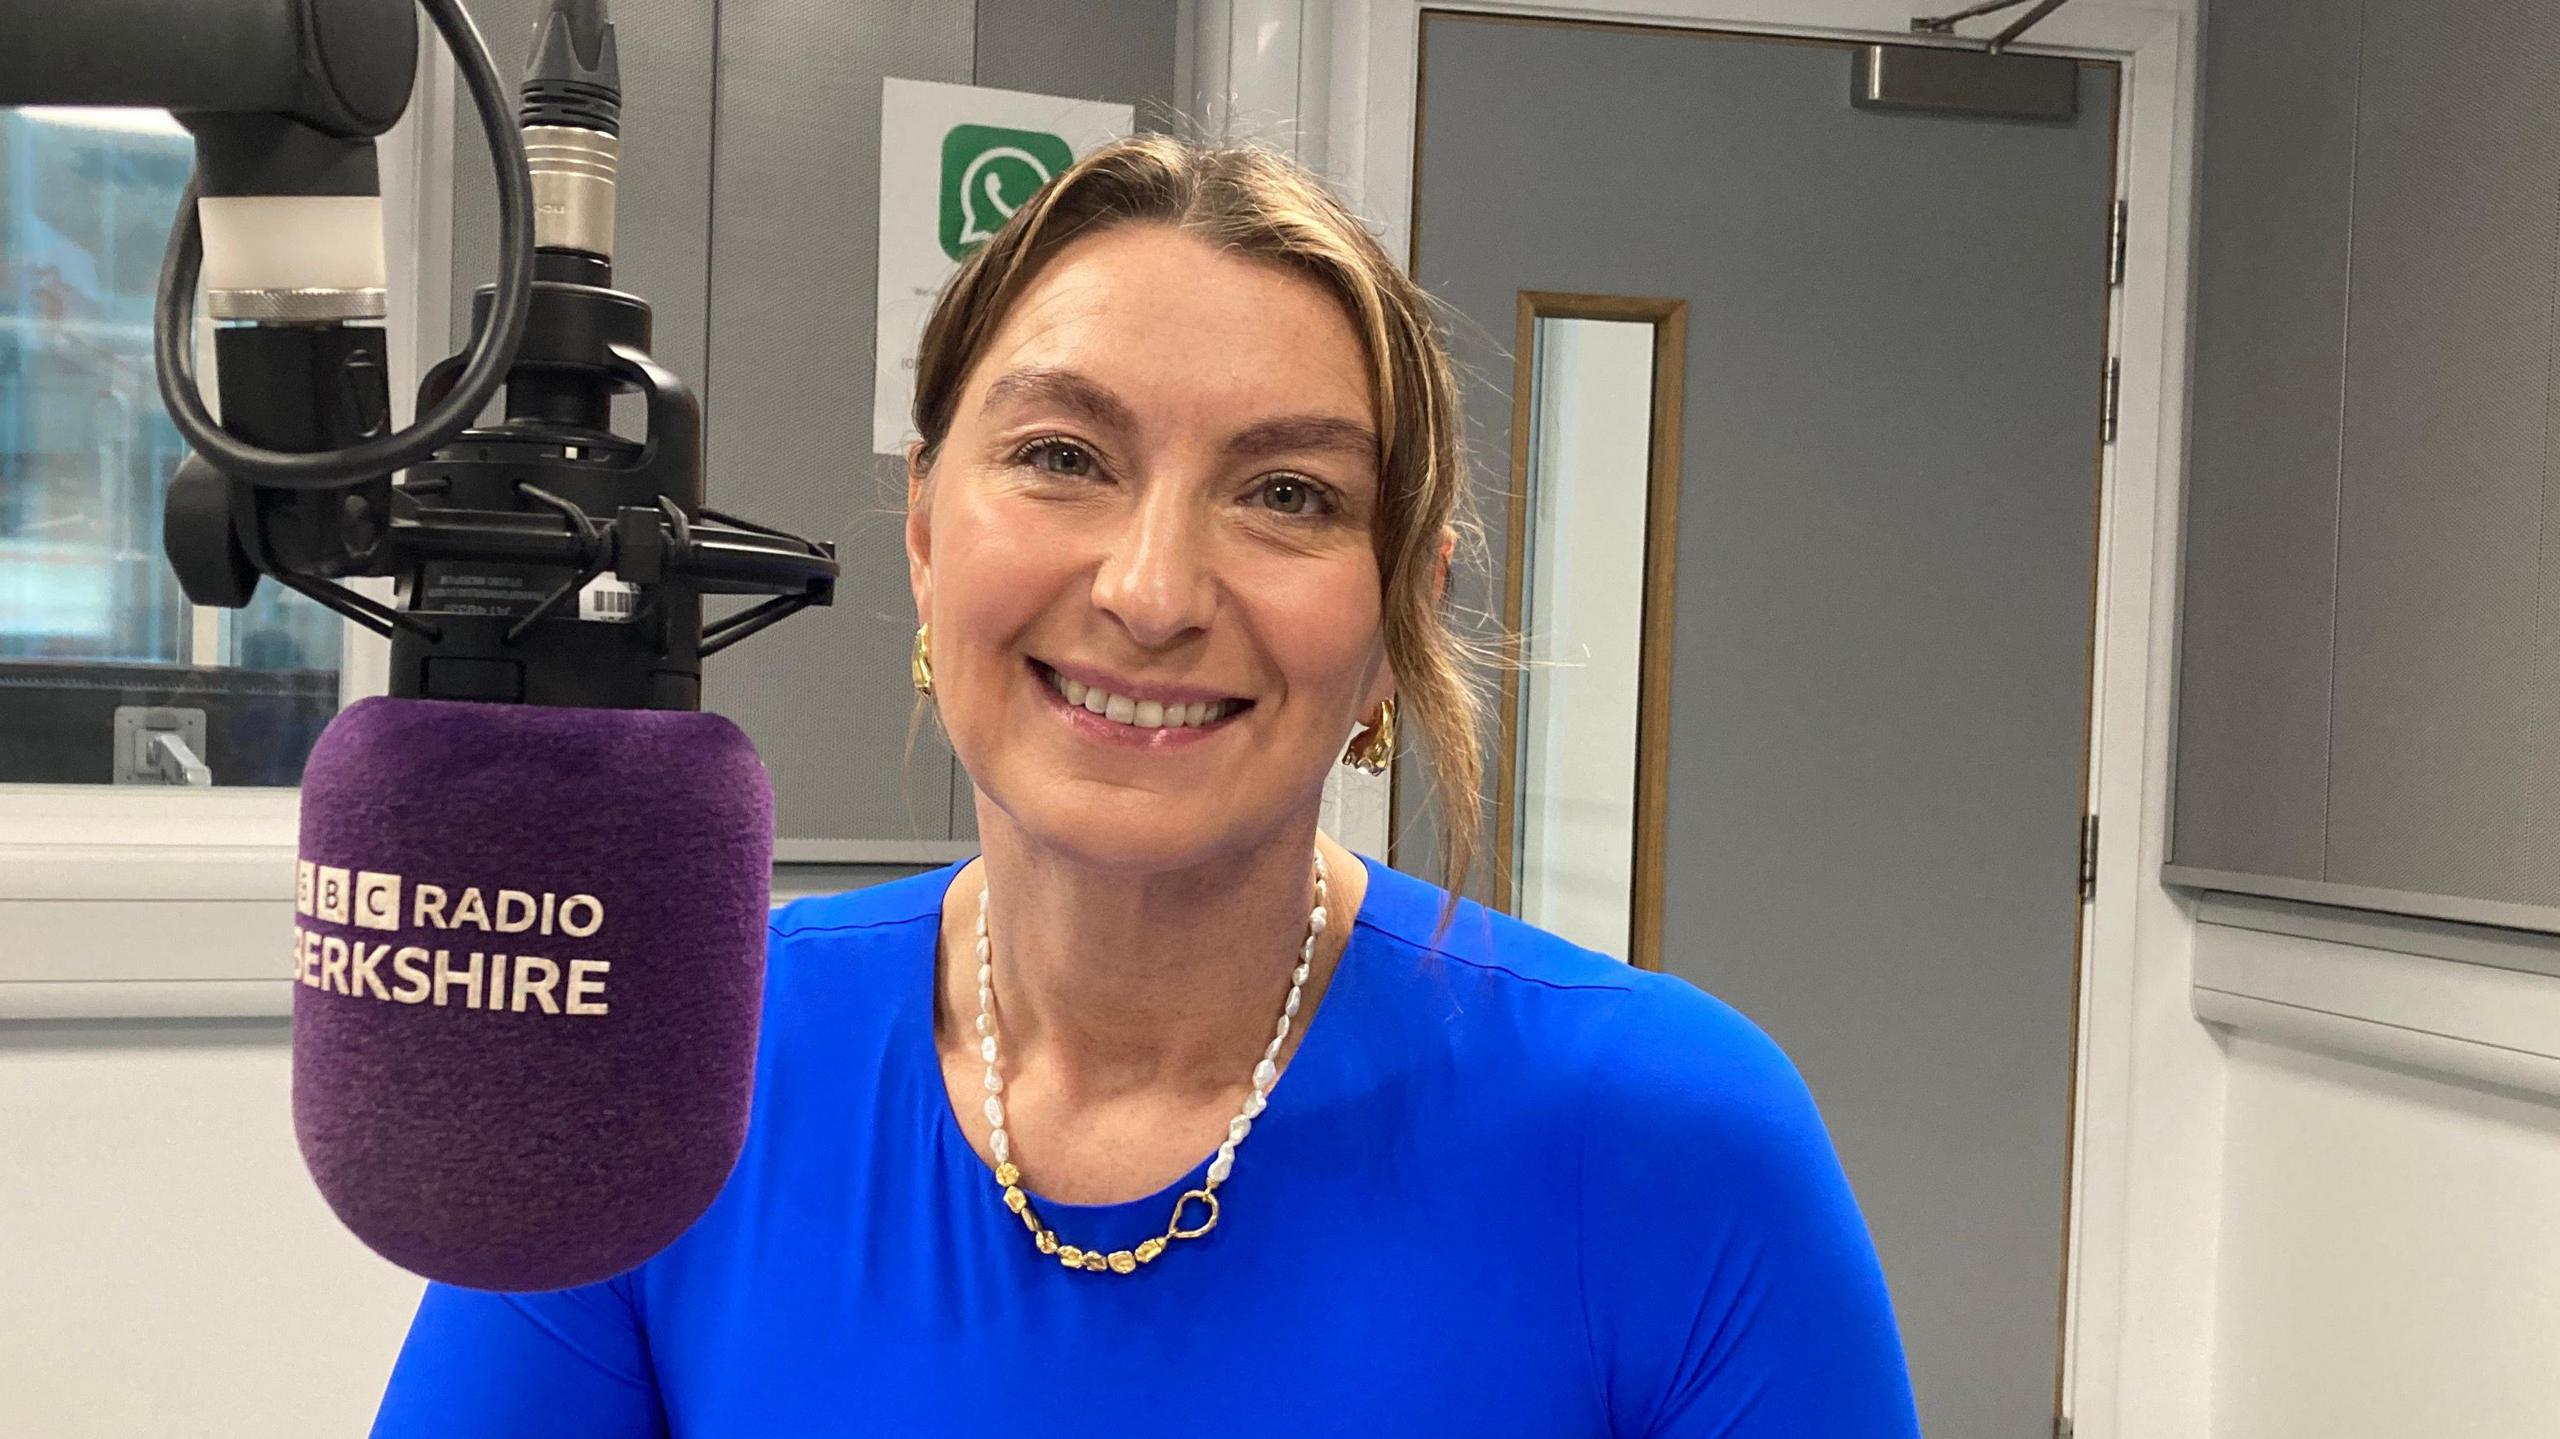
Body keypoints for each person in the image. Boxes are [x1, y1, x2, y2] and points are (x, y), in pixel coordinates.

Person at [371, 133, 1919, 1437]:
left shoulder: (1673, 1146)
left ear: (1400, 616)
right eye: (1061, 456)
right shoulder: (661, 1080)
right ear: (924, 531)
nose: (1154, 587)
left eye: (1290, 494)